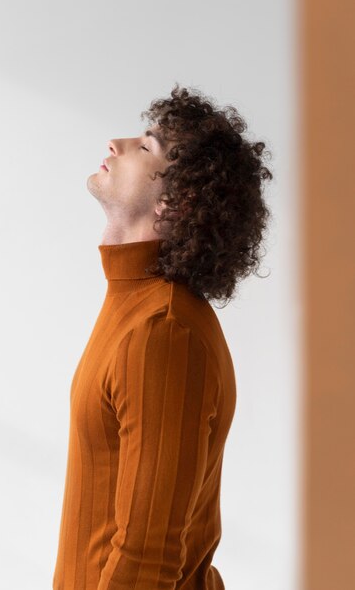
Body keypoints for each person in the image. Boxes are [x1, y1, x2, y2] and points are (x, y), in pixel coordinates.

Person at [52, 83, 273, 590]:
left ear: (175, 202)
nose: (116, 143)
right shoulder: (138, 307)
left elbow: (146, 562)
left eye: (145, 147)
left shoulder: (162, 331)